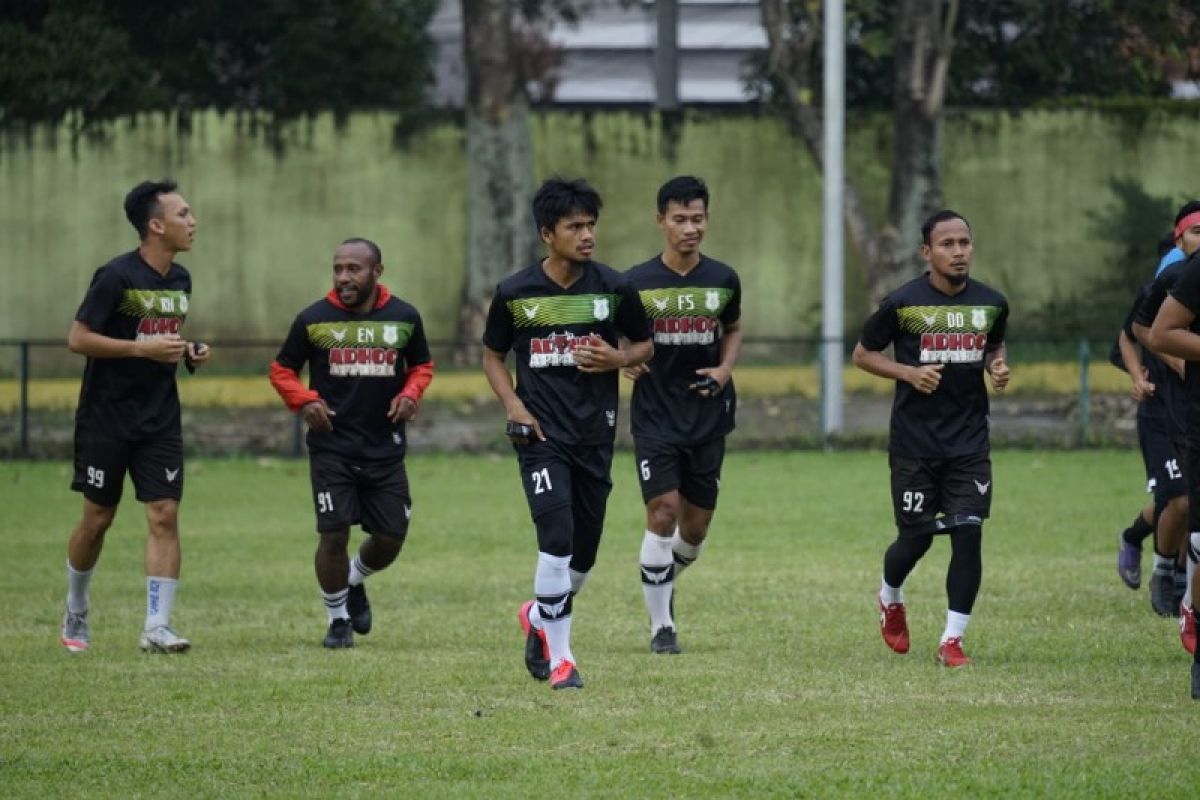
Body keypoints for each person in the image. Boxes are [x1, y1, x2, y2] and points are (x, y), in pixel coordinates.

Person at [482, 177, 654, 690]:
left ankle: (537, 617)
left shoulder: (614, 287)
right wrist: (514, 404)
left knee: (582, 557)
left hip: (594, 435)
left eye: (590, 225)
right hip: (539, 437)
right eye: (574, 227)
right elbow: (492, 355)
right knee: (554, 541)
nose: (587, 236)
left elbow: (644, 345)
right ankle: (563, 661)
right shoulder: (515, 293)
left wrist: (619, 357)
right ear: (546, 234)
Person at [852, 209, 1009, 668]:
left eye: (964, 242)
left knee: (968, 531)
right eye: (948, 244)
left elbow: (993, 343)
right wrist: (907, 372)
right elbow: (863, 354)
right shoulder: (902, 304)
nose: (958, 252)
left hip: (969, 441)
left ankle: (952, 640)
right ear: (927, 252)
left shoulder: (991, 303)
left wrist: (996, 365)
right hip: (914, 443)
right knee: (916, 539)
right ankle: (890, 596)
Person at [61, 179, 208, 654]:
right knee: (98, 518)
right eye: (183, 214)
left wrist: (188, 350)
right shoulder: (116, 277)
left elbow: (158, 337)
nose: (192, 221)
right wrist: (139, 349)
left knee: (165, 514)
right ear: (156, 224)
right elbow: (78, 338)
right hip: (107, 417)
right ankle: (76, 608)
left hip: (160, 417)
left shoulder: (181, 280)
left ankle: (157, 626)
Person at [269, 238, 434, 648]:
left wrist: (411, 394)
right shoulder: (313, 319)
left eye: (353, 269)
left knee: (391, 538)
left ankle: (355, 578)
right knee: (333, 534)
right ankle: (337, 619)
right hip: (332, 449)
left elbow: (422, 366)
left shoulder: (404, 317)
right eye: (338, 268)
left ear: (377, 272)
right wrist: (304, 401)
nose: (344, 277)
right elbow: (282, 370)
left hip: (385, 449)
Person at [621, 176, 742, 654]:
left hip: (708, 414)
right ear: (661, 222)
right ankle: (661, 627)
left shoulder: (724, 278)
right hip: (655, 415)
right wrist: (626, 355)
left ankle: (662, 578)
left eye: (698, 219)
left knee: (694, 531)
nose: (690, 228)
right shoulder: (634, 282)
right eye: (680, 219)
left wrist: (726, 368)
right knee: (663, 512)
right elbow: (617, 336)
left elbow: (732, 329)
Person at [1139, 201, 1200, 697]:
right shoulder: (1186, 275)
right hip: (1177, 412)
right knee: (1185, 512)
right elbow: (1150, 331)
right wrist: (1141, 373)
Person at [1114, 241, 1188, 610]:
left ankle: (1175, 574)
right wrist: (1137, 376)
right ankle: (1165, 573)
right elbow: (1131, 334)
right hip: (1160, 414)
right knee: (1179, 499)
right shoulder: (1161, 288)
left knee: (1180, 503)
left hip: (1189, 415)